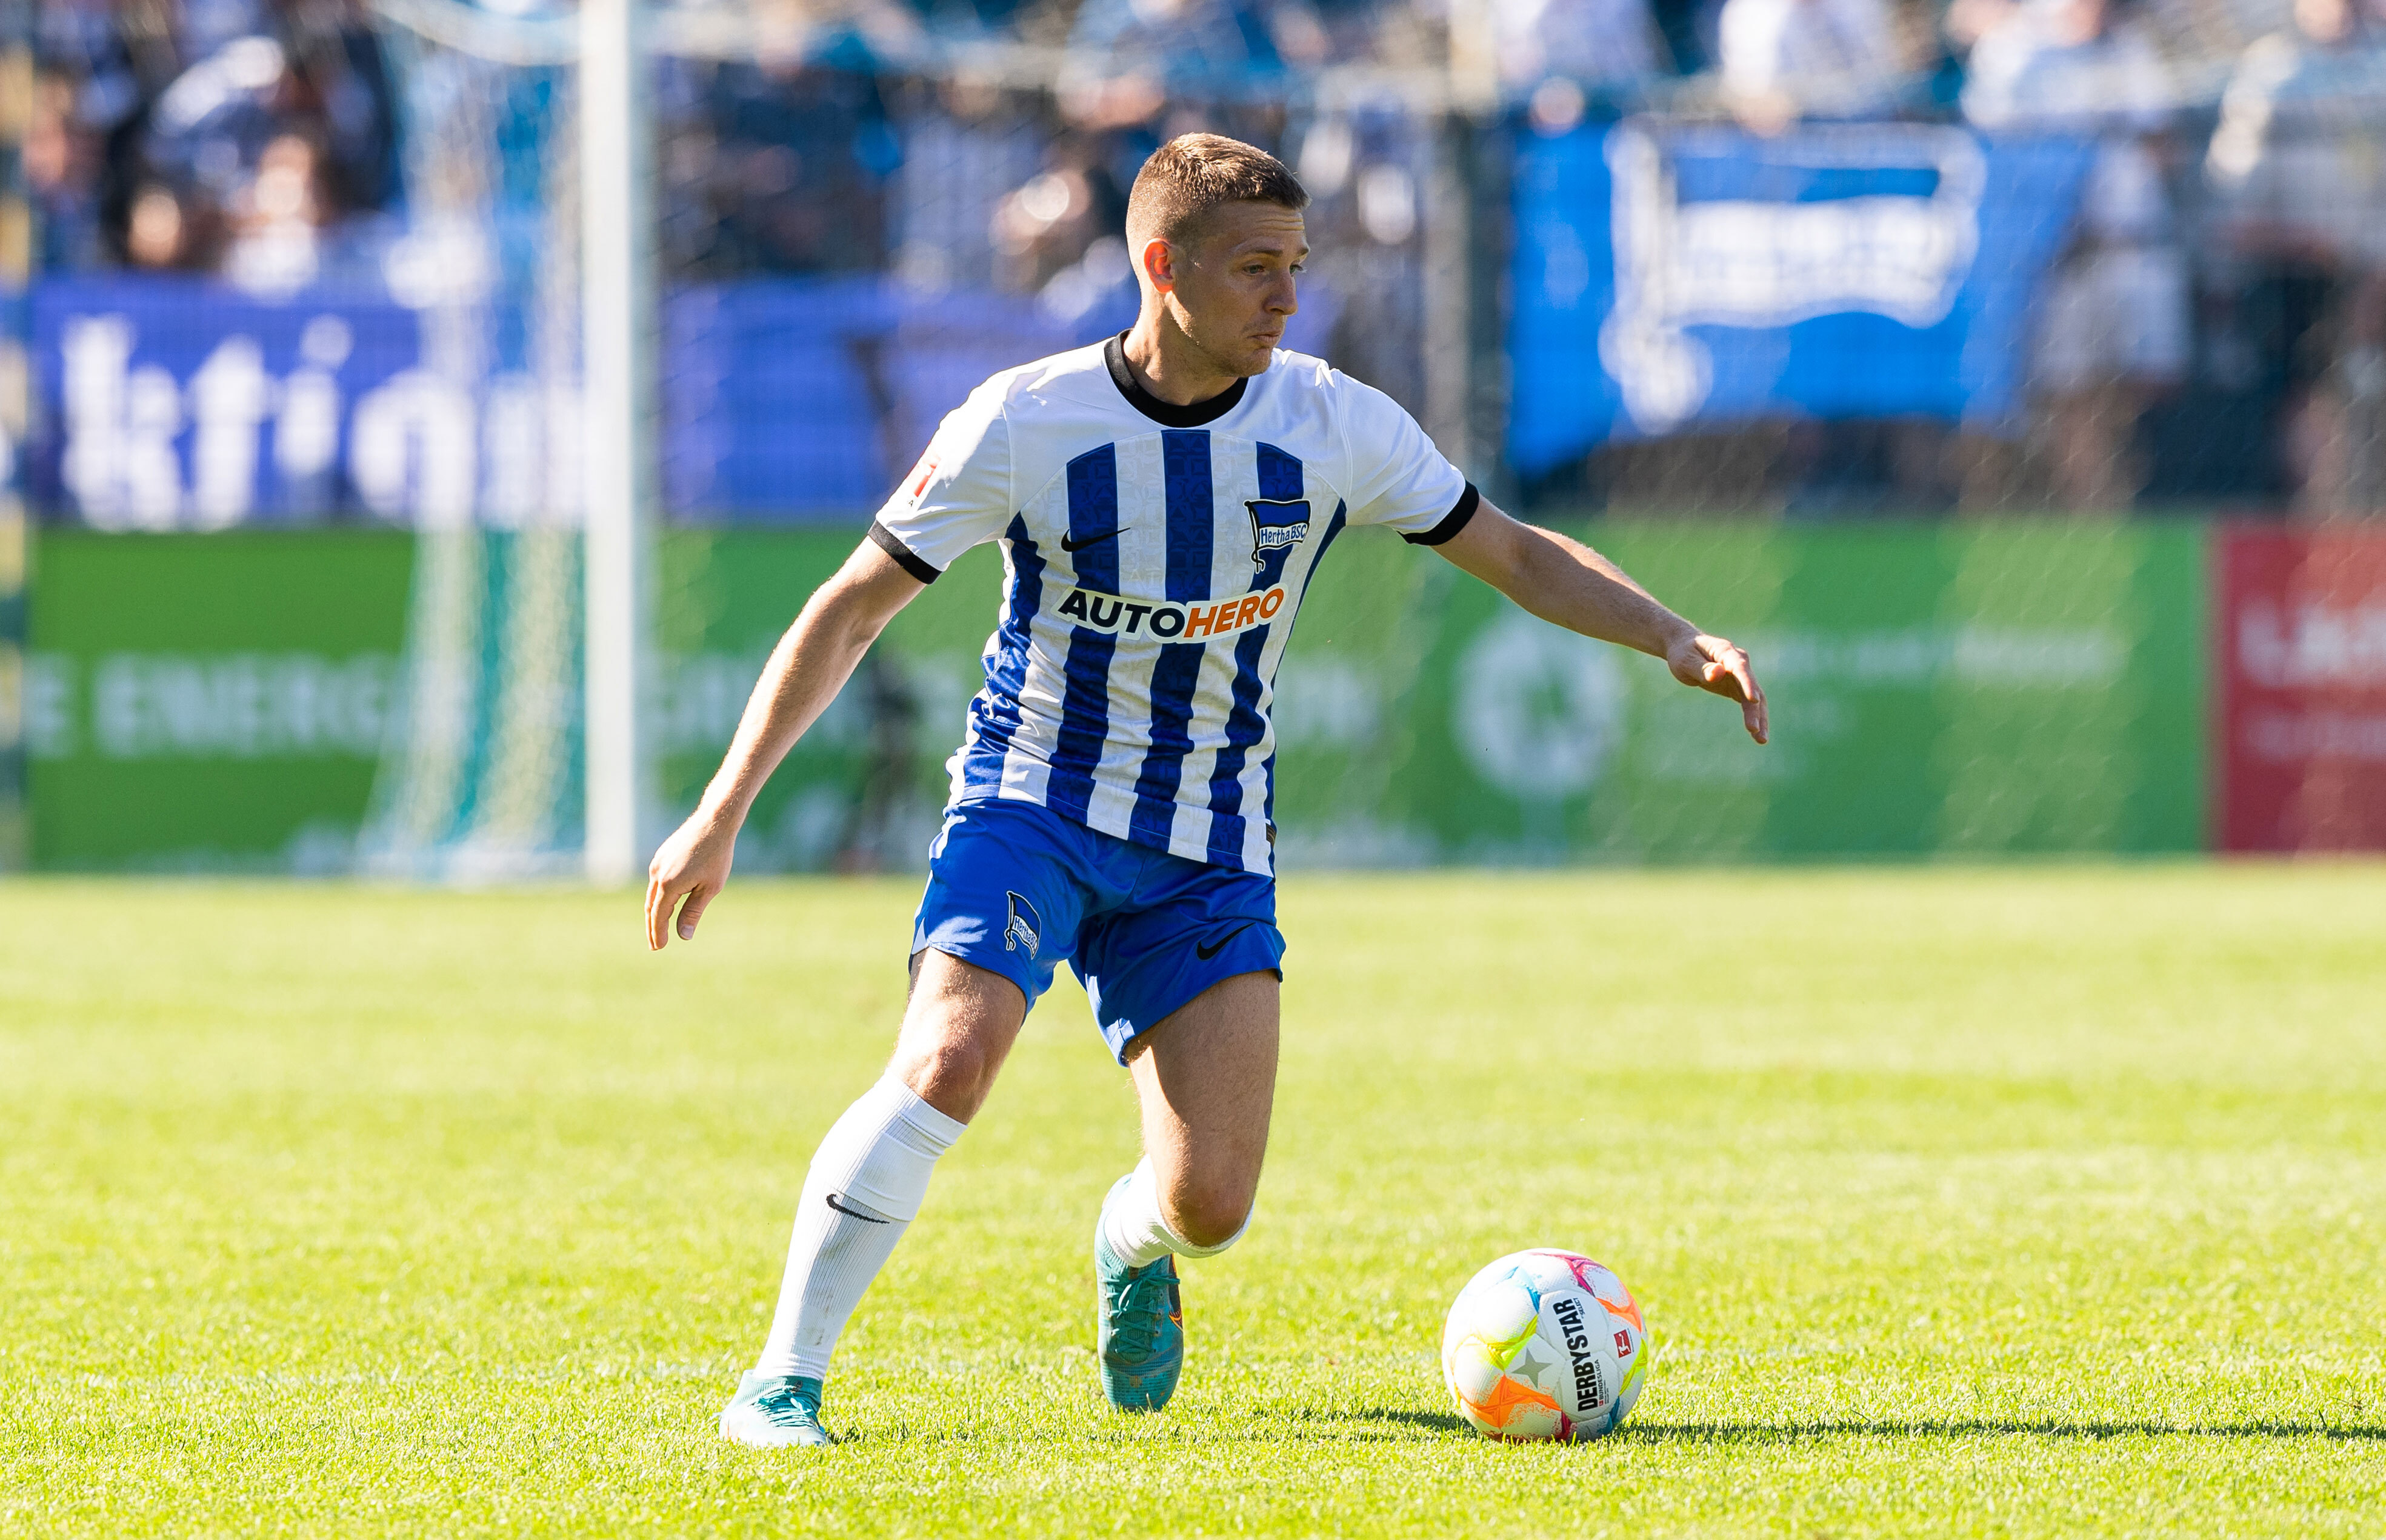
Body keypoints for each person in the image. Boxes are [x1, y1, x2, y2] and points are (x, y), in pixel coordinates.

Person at [645, 133, 1770, 1450]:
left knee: (1213, 1206)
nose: (1286, 298)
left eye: (1296, 266)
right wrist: (720, 809)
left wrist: (1671, 632)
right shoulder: (1025, 417)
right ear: (1161, 266)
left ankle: (1128, 1233)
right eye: (1254, 269)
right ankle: (781, 1380)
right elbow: (847, 612)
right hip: (1031, 800)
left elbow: (1513, 551)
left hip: (1206, 839)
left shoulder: (1333, 419)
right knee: (948, 1056)